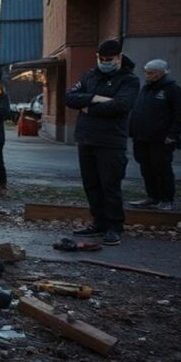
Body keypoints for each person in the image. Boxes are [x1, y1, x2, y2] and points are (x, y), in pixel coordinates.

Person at [64, 39, 139, 246]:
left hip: (111, 140)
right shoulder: (90, 75)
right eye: (102, 59)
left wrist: (88, 105)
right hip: (86, 138)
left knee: (110, 185)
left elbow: (121, 105)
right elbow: (70, 97)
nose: (105, 62)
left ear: (119, 58)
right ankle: (98, 222)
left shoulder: (128, 79)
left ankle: (114, 227)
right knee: (91, 184)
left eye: (109, 59)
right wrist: (97, 98)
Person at [128, 59, 181, 211]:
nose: (148, 75)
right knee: (146, 168)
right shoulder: (146, 89)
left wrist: (173, 134)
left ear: (161, 73)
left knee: (162, 168)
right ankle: (152, 197)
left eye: (151, 73)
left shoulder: (173, 90)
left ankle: (167, 199)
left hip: (161, 139)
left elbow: (180, 114)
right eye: (147, 72)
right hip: (142, 137)